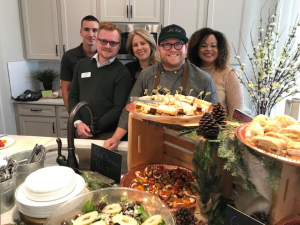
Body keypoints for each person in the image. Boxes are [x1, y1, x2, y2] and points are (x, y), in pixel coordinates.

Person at [103, 24, 218, 150]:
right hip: (150, 143)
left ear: (186, 48)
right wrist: (115, 138)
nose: (173, 49)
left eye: (178, 44)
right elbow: (131, 108)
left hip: (188, 147)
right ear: (159, 49)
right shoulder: (146, 75)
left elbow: (213, 120)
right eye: (167, 45)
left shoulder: (203, 79)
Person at [68, 21, 132, 140]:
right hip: (80, 130)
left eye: (113, 43)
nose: (108, 46)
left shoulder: (122, 73)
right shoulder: (82, 65)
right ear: (97, 41)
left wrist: (93, 127)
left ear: (119, 45)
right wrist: (77, 123)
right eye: (103, 41)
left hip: (108, 136)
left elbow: (119, 108)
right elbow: (72, 96)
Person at [187, 27, 243, 117]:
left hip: (219, 129)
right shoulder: (188, 72)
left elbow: (236, 113)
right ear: (196, 49)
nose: (208, 49)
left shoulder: (229, 74)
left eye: (213, 46)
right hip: (188, 128)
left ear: (220, 49)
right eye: (203, 46)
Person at [60, 15, 99, 110]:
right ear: (81, 32)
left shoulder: (104, 56)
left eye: (94, 30)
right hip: (78, 110)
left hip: (100, 111)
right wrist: (73, 116)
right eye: (86, 29)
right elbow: (65, 90)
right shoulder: (69, 56)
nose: (91, 34)